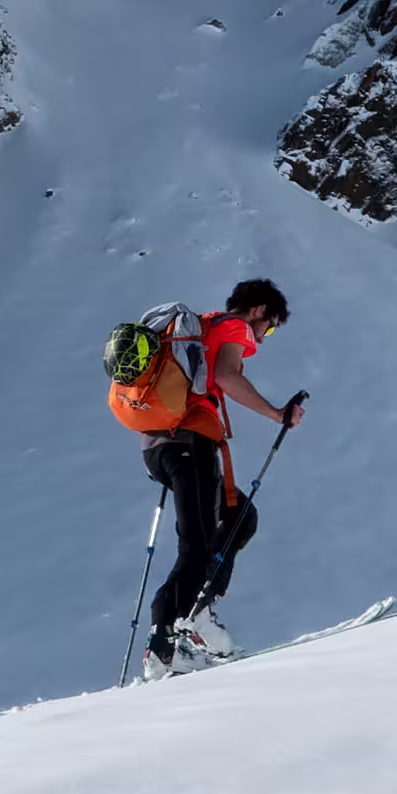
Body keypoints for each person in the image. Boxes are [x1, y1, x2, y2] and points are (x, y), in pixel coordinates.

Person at [144, 276, 305, 668]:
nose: (262, 339)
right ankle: (196, 618)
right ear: (259, 310)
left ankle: (164, 649)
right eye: (268, 326)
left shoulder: (202, 327)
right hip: (190, 443)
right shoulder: (233, 327)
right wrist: (277, 414)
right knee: (203, 542)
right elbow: (227, 376)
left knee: (231, 520)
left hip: (158, 445)